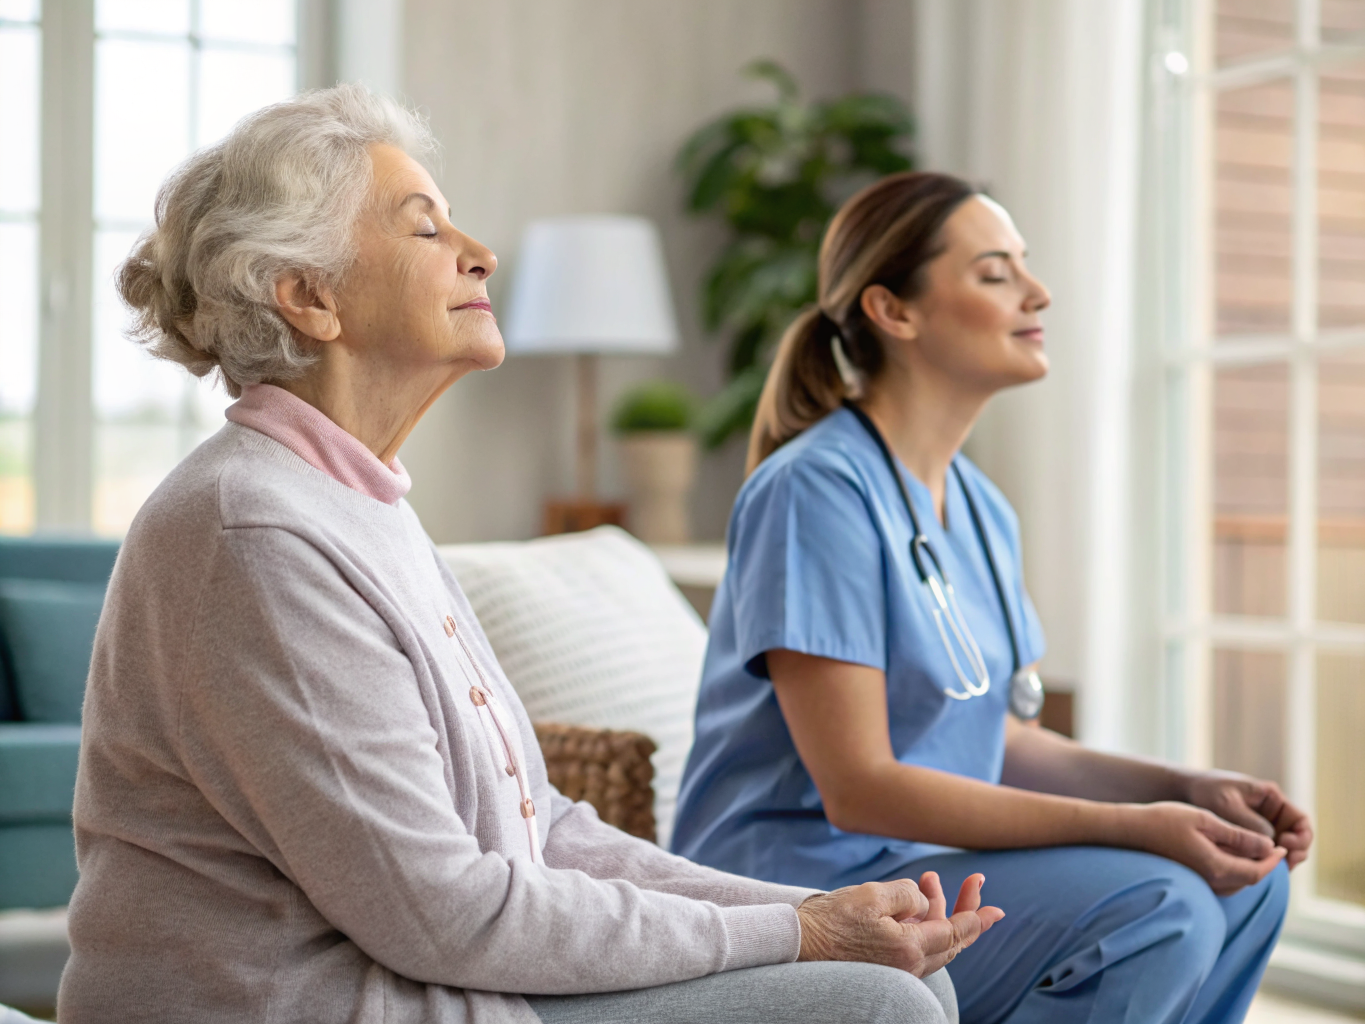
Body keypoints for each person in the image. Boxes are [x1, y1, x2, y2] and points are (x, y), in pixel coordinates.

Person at [57, 87, 1001, 1024]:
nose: (479, 252)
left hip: (437, 980)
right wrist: (800, 935)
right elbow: (445, 913)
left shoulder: (358, 503)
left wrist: (811, 911)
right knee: (879, 1006)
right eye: (425, 228)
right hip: (309, 1005)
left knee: (907, 980)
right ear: (310, 297)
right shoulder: (255, 531)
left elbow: (540, 830)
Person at [670, 171, 1314, 1024]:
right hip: (799, 882)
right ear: (892, 311)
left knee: (1249, 884)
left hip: (926, 861)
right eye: (994, 273)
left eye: (1024, 266)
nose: (1036, 292)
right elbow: (859, 787)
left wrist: (1186, 788)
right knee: (1160, 908)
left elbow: (998, 740)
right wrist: (1133, 825)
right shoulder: (814, 491)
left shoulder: (980, 507)